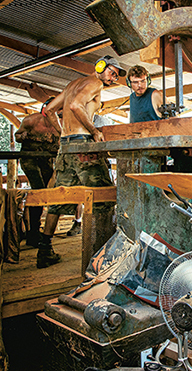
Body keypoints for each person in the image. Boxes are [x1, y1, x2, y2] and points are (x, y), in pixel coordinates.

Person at [36, 55, 124, 269]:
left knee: (60, 196)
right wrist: (93, 131)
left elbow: (47, 110)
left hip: (66, 147)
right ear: (100, 67)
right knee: (105, 196)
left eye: (116, 75)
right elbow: (76, 105)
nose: (113, 77)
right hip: (83, 146)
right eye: (112, 72)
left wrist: (62, 135)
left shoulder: (72, 84)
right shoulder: (94, 83)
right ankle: (105, 255)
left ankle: (44, 249)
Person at [15, 99, 60, 247]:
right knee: (38, 190)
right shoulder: (31, 120)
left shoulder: (59, 125)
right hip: (30, 159)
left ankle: (36, 230)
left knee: (48, 192)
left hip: (46, 160)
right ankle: (33, 232)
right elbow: (17, 135)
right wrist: (27, 137)